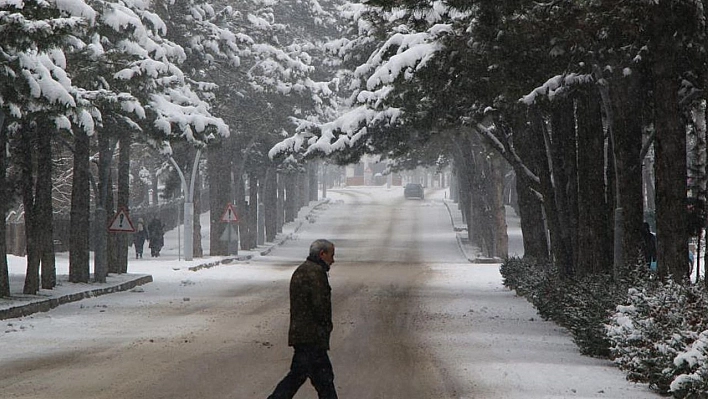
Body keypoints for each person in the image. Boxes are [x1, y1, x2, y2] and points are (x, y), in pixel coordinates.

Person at [267, 239, 338, 399]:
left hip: (304, 336)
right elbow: (320, 306)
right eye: (331, 255)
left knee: (319, 379)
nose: (333, 260)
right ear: (322, 254)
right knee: (309, 379)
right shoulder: (315, 274)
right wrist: (326, 327)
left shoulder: (303, 270)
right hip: (311, 338)